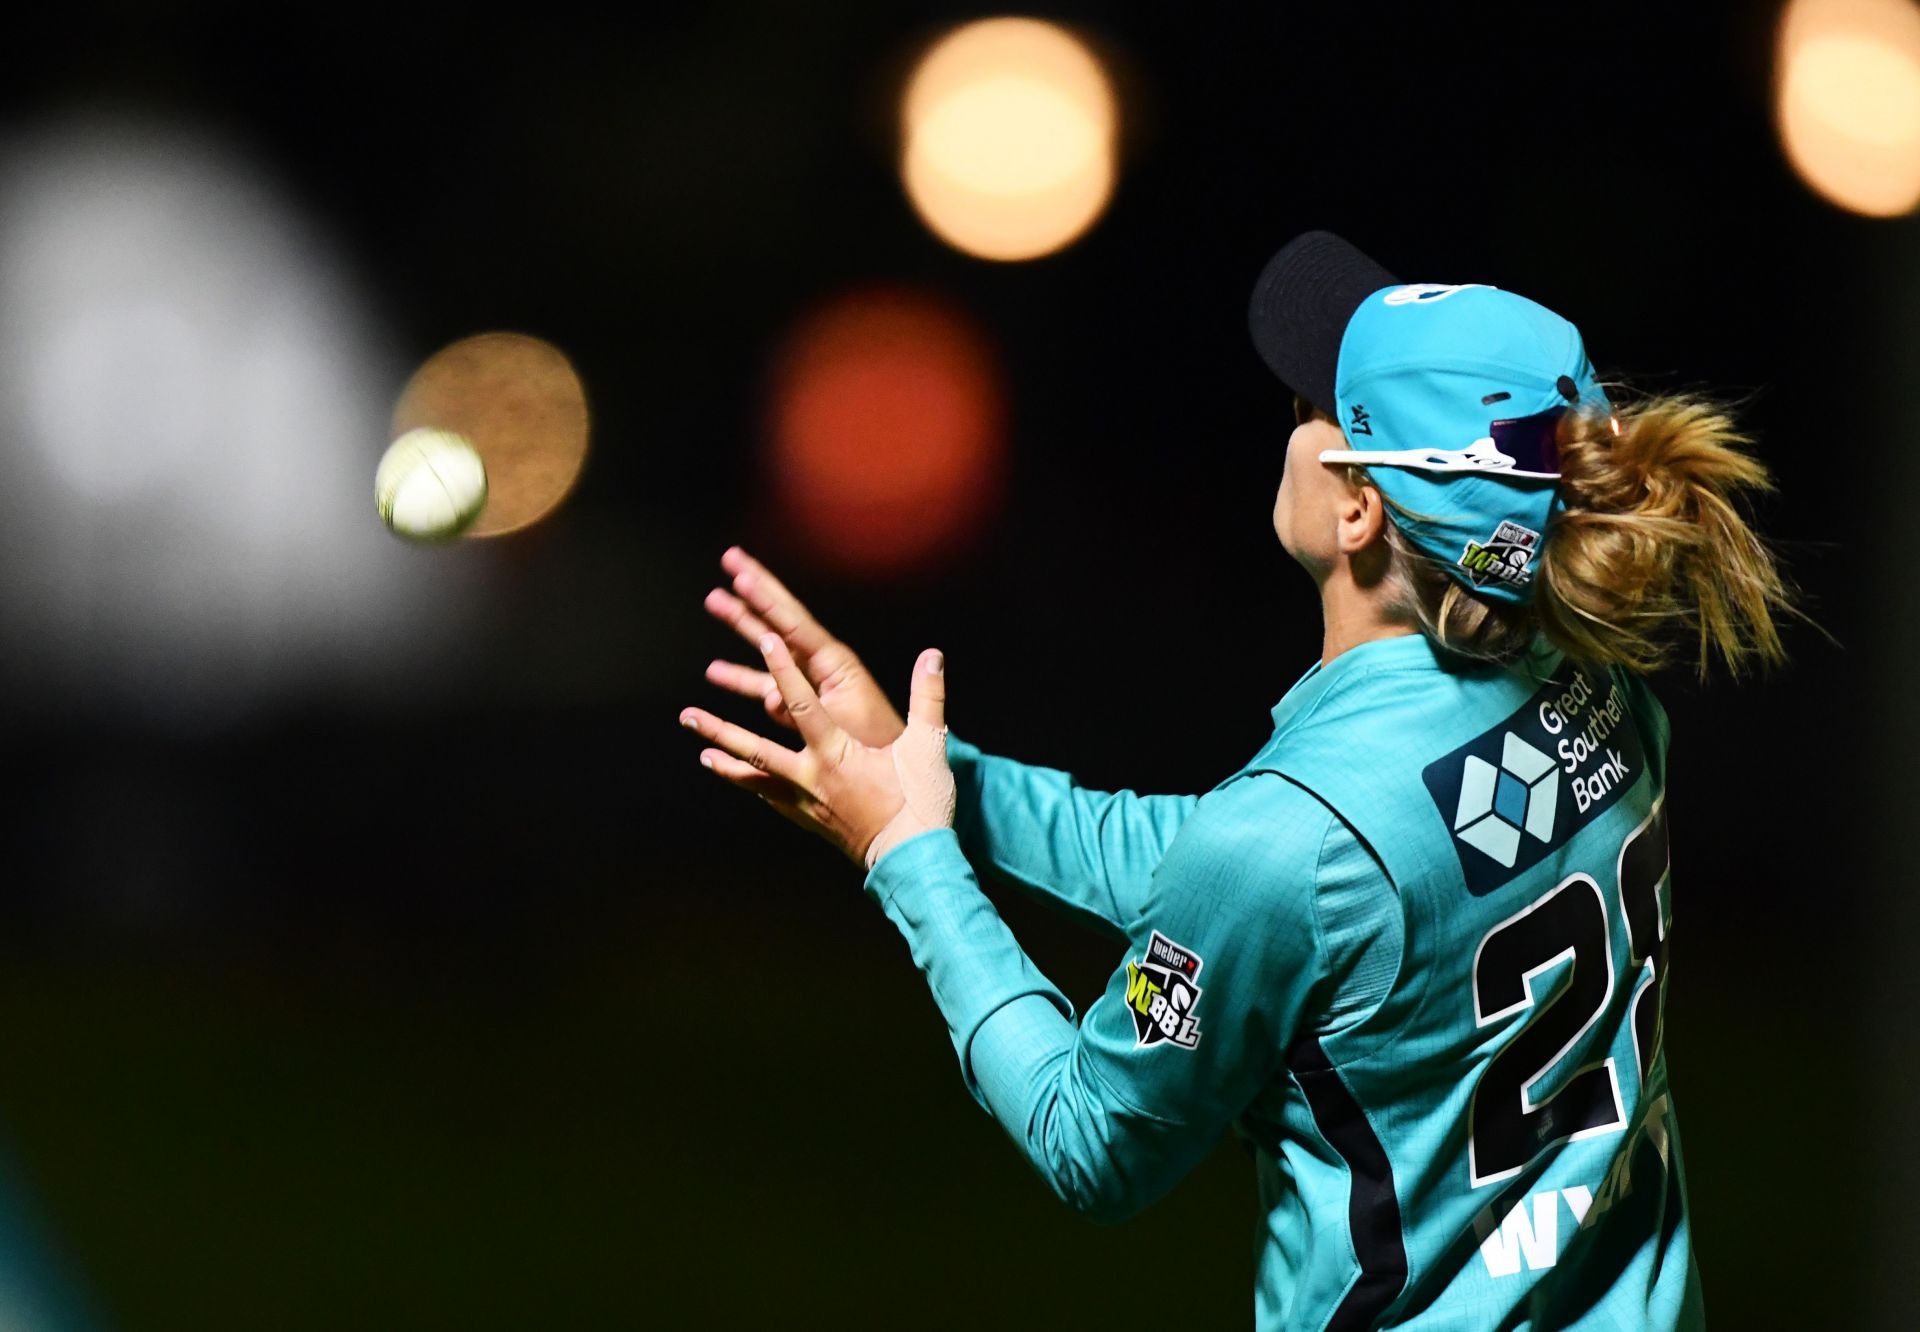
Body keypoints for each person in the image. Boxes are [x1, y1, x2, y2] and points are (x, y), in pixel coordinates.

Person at [679, 230, 1794, 1329]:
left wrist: (908, 858)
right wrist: (937, 778)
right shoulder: (1600, 690)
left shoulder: (1298, 840)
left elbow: (1093, 1142)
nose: (1294, 418)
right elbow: (1254, 879)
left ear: (1358, 509)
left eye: (1315, 410)